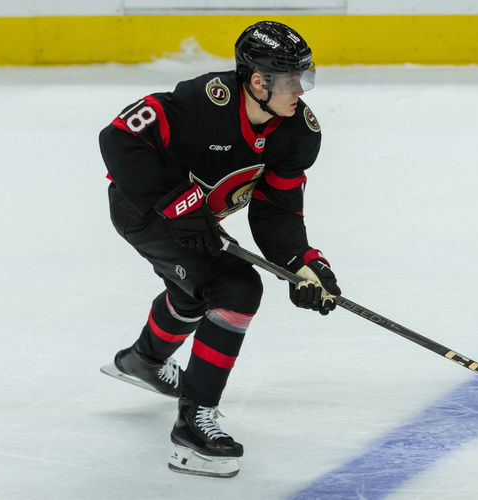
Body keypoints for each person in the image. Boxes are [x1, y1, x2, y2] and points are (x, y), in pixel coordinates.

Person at [98, 20, 340, 478]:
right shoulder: (202, 103)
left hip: (197, 217)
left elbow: (277, 211)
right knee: (234, 288)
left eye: (304, 76)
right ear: (256, 81)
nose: (300, 89)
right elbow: (118, 138)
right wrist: (173, 203)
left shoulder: (297, 134)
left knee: (196, 289)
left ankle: (143, 360)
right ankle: (193, 427)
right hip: (144, 209)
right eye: (290, 79)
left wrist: (302, 265)